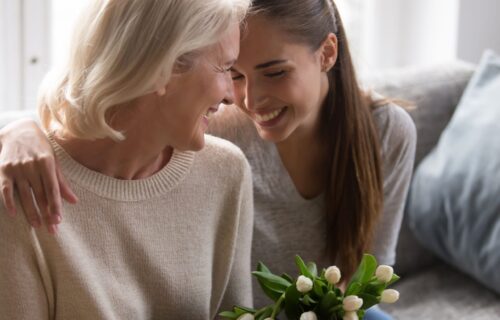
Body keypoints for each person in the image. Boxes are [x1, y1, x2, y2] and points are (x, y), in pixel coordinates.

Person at [0, 0, 416, 319]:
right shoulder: (214, 133)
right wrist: (16, 131)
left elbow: (372, 273)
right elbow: (109, 113)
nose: (242, 99)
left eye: (274, 72)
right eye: (231, 71)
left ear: (327, 54)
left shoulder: (222, 165)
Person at [0, 0, 254, 319]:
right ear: (163, 67)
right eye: (223, 68)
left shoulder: (226, 173)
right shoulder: (23, 190)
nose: (232, 95)